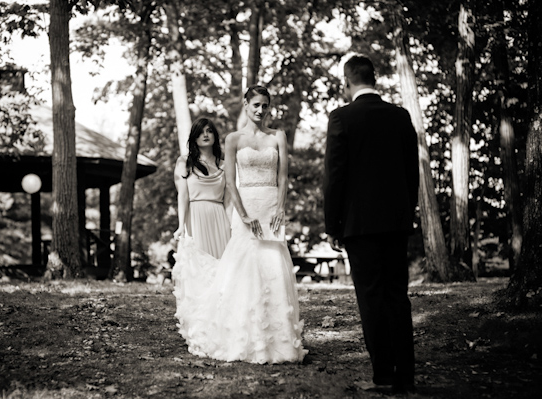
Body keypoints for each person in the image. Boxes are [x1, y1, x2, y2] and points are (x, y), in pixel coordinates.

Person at [172, 86, 307, 364]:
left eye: (265, 106)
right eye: (256, 104)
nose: (260, 110)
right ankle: (242, 334)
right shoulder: (233, 139)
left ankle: (278, 340)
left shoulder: (278, 136)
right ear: (246, 104)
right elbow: (231, 182)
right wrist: (243, 215)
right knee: (242, 267)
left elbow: (283, 177)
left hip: (271, 205)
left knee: (273, 265)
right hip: (246, 208)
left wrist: (281, 207)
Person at [323, 55, 419, 394]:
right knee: (397, 296)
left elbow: (335, 176)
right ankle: (405, 375)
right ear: (374, 78)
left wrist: (332, 224)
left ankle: (384, 376)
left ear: (346, 82)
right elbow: (412, 172)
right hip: (395, 221)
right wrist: (408, 212)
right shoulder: (400, 116)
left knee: (371, 297)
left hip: (359, 224)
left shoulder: (342, 117)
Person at [173, 117, 231, 259]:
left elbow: (229, 201)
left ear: (215, 136)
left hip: (219, 217)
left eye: (209, 131)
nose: (205, 135)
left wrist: (232, 226)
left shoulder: (225, 166)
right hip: (195, 216)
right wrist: (181, 225)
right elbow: (183, 196)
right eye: (200, 132)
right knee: (198, 263)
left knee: (221, 264)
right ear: (194, 137)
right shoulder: (184, 162)